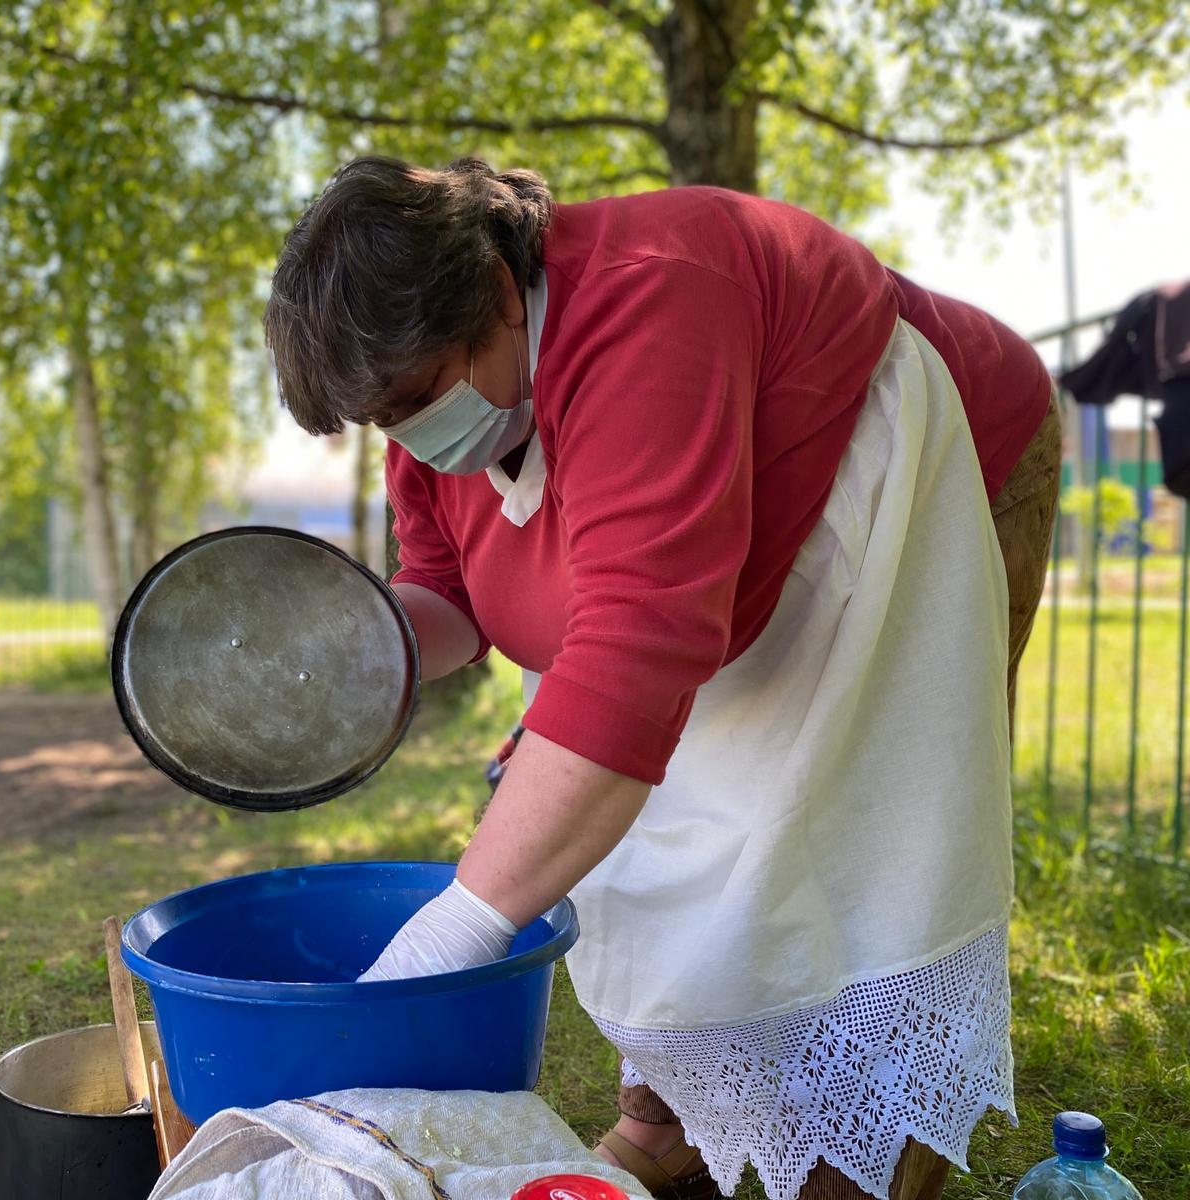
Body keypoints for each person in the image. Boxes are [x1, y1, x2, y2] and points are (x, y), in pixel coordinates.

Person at [264, 156, 1061, 1200]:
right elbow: (450, 589)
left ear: (501, 295)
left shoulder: (654, 300)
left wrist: (453, 933)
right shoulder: (434, 414)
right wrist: (371, 648)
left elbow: (633, 658)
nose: (409, 437)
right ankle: (678, 1114)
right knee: (670, 830)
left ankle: (862, 1147)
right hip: (729, 576)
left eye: (415, 398)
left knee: (853, 831)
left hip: (918, 475)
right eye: (384, 420)